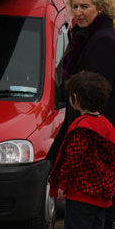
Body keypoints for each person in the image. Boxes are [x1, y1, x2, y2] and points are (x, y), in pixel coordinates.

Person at [48, 0, 115, 228]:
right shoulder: (85, 37)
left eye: (85, 6)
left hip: (95, 136)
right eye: (75, 6)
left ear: (100, 7)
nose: (78, 12)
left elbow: (98, 92)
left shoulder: (103, 40)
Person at [50, 71, 115, 229]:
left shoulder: (81, 127)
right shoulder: (108, 126)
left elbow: (72, 160)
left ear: (75, 99)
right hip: (102, 196)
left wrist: (62, 186)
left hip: (80, 195)